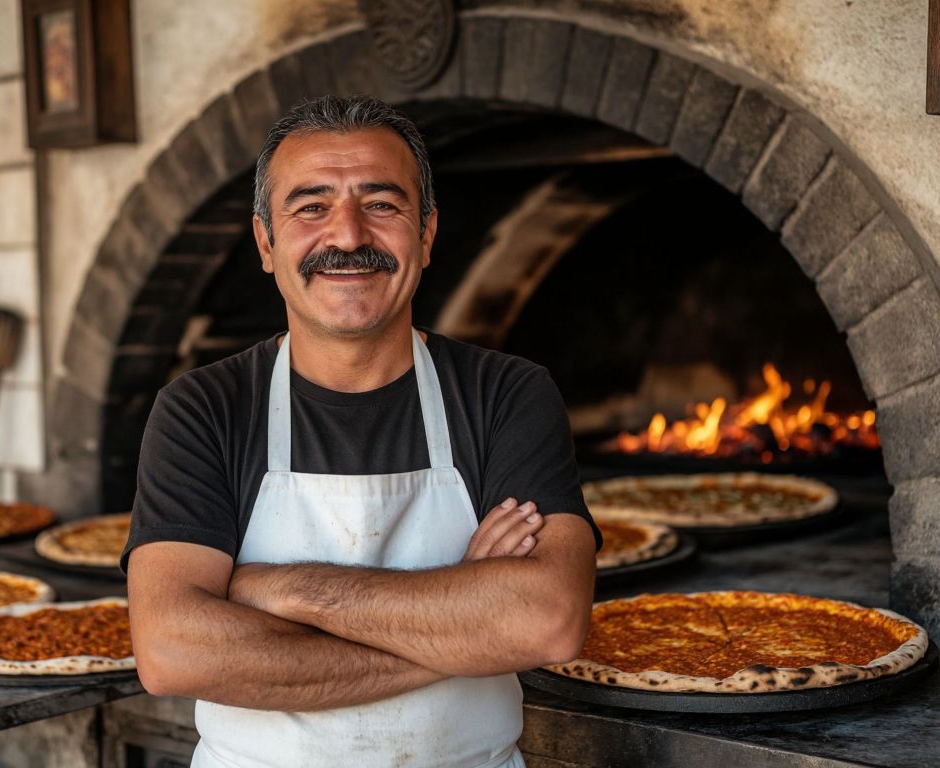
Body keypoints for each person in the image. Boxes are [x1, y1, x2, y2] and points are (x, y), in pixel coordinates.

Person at [124, 96, 600, 768]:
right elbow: (173, 653)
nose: (347, 237)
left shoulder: (507, 395)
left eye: (381, 203)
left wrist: (289, 590)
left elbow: (546, 621)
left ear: (427, 234)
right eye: (311, 206)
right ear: (266, 242)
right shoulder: (203, 409)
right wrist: (463, 624)